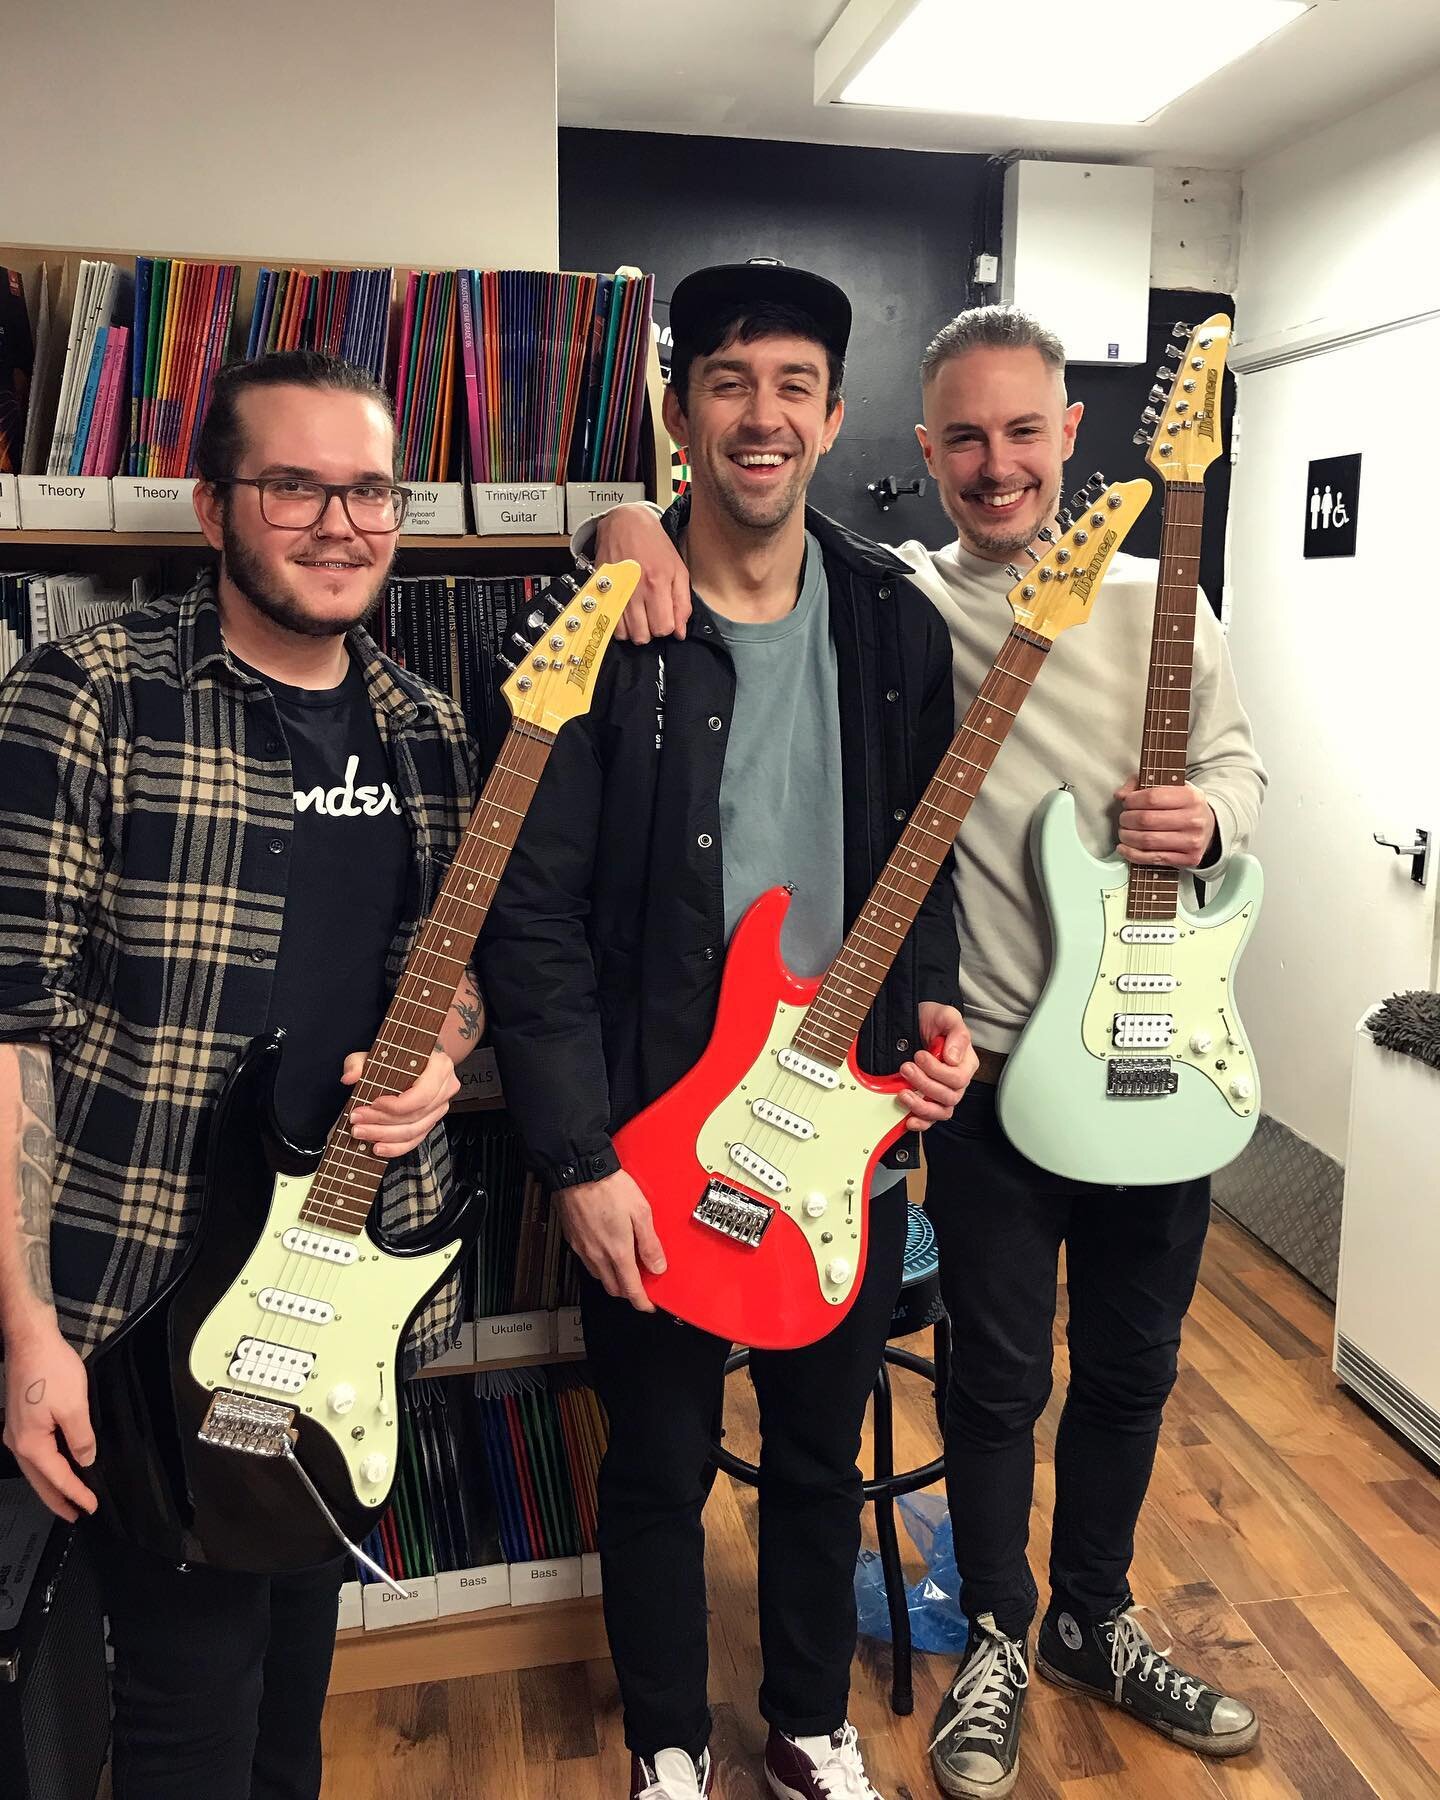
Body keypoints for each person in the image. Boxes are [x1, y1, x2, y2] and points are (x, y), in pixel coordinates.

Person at [582, 303, 1267, 1797]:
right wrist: (616, 516)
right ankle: (992, 1642)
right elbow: (710, 535)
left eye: (1026, 431)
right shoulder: (911, 603)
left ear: (1076, 441)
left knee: (1134, 1369)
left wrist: (1212, 818)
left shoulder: (1156, 607)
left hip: (1150, 1056)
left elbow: (1236, 767)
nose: (998, 463)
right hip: (975, 1080)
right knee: (989, 1384)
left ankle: (1091, 1610)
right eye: (964, 435)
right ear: (914, 446)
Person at [477, 261, 975, 1800]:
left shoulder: (895, 625)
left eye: (791, 386)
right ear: (679, 412)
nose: (760, 416)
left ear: (833, 415)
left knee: (826, 1454)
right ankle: (670, 1751)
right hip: (648, 1141)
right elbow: (528, 916)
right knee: (660, 1465)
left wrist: (931, 1013)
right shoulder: (612, 623)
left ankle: (808, 1725)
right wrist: (574, 1154)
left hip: (840, 1137)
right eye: (726, 382)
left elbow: (920, 854)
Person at [0, 349, 482, 1800]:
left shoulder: (429, 729)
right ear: (215, 505)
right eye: (295, 486)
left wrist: (441, 1066)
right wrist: (26, 1333)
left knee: (293, 1665)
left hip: (349, 1265)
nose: (341, 524)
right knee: (182, 1698)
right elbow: (9, 1028)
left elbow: (442, 981)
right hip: (145, 1282)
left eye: (371, 490)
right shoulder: (85, 694)